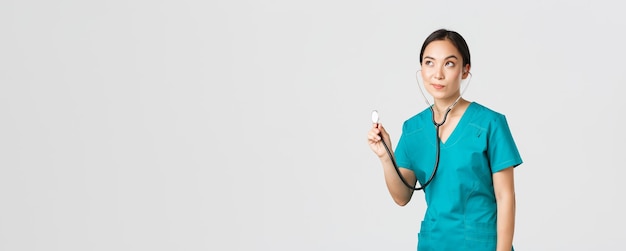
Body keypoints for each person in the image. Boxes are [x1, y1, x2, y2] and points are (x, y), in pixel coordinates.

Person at [367, 28, 522, 251]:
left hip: (482, 244)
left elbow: (505, 196)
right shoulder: (413, 129)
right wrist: (385, 156)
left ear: (465, 70)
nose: (437, 74)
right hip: (433, 243)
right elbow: (402, 197)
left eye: (449, 63)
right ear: (421, 69)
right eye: (429, 63)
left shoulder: (490, 123)